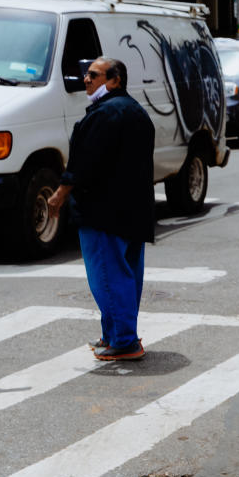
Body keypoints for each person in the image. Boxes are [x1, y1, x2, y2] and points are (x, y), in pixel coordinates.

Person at [47, 56, 155, 361]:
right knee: (126, 277)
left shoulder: (107, 114)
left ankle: (123, 341)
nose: (86, 80)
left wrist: (59, 195)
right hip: (134, 211)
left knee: (107, 277)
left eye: (94, 75)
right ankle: (116, 334)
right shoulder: (135, 111)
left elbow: (84, 163)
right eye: (87, 75)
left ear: (114, 80)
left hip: (105, 212)